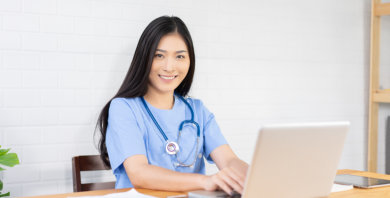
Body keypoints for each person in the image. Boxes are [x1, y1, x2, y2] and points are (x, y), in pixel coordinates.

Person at [96, 15, 248, 195]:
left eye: (180, 57)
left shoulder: (197, 110)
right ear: (144, 58)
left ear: (189, 61)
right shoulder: (124, 108)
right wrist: (205, 181)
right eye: (159, 55)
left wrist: (250, 175)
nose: (169, 67)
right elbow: (139, 173)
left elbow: (229, 160)